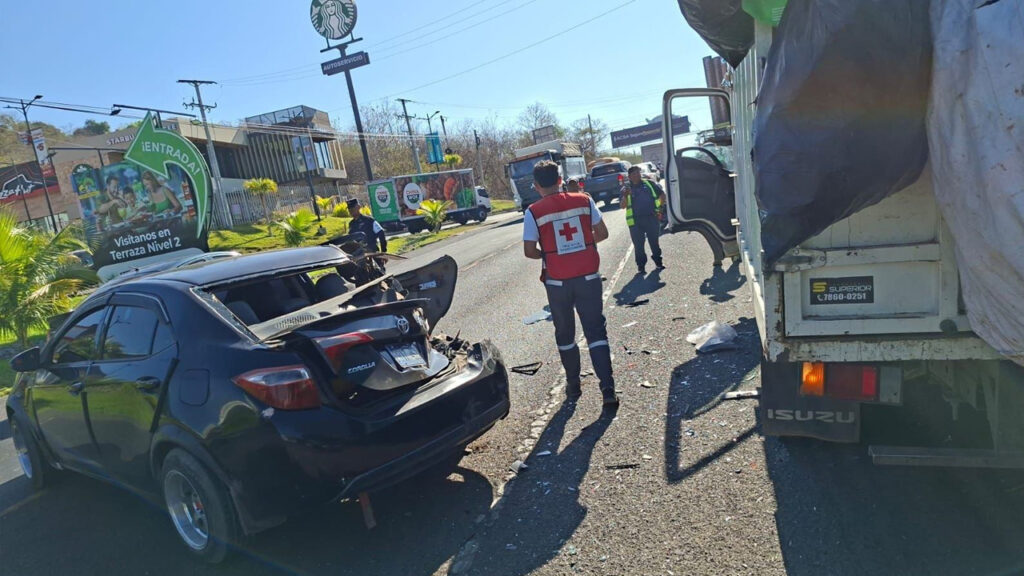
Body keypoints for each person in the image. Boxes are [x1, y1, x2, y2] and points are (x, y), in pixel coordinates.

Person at [523, 160, 618, 408]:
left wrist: (551, 254)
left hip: (557, 283)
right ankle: (608, 389)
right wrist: (584, 244)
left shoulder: (534, 211)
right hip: (588, 278)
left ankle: (573, 386)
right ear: (560, 180)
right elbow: (603, 233)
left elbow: (529, 250)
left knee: (565, 334)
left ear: (536, 186)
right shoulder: (584, 200)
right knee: (596, 332)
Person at [620, 165, 667, 274]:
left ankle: (658, 262)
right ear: (629, 177)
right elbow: (622, 206)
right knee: (639, 245)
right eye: (634, 174)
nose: (637, 175)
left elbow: (662, 195)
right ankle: (641, 266)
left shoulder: (649, 184)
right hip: (635, 222)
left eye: (638, 173)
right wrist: (625, 196)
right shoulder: (625, 189)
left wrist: (660, 208)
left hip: (652, 218)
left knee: (654, 242)